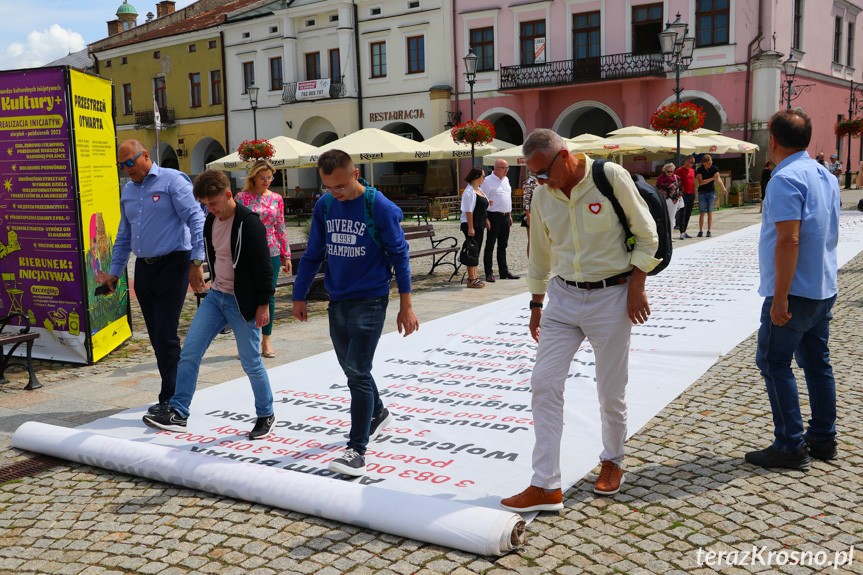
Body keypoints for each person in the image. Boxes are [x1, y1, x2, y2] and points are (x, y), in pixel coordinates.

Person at [499, 129, 659, 512]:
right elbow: (539, 253)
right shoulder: (542, 195)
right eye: (533, 175)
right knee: (544, 384)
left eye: (543, 172)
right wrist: (536, 304)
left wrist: (637, 287)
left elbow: (647, 235)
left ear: (565, 156)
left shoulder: (610, 177)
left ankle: (613, 459)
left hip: (612, 297)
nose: (540, 180)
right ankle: (545, 485)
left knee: (610, 391)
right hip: (563, 298)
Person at [291, 149, 419, 476]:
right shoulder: (326, 205)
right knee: (351, 369)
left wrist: (406, 305)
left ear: (355, 174)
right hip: (338, 300)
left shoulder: (380, 207)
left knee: (358, 372)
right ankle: (377, 412)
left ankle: (357, 449)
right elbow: (313, 253)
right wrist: (299, 294)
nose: (335, 192)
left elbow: (400, 256)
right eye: (328, 187)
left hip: (372, 299)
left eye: (340, 186)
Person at [142, 170, 277, 439]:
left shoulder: (249, 224)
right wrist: (199, 267)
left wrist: (263, 305)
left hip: (243, 301)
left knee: (251, 361)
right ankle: (179, 412)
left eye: (213, 203)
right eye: (205, 204)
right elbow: (211, 254)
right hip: (217, 296)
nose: (210, 209)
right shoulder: (209, 222)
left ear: (228, 195)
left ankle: (266, 414)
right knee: (190, 352)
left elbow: (263, 268)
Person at [745, 109, 840, 470]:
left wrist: (780, 297)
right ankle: (822, 438)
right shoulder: (824, 174)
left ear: (772, 139)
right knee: (817, 363)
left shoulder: (785, 179)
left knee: (773, 361)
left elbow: (789, 240)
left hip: (796, 289)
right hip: (822, 285)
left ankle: (790, 444)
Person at [101, 140, 205, 416]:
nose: (126, 170)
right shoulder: (129, 191)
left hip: (175, 263)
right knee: (156, 335)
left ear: (145, 156)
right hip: (145, 268)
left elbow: (196, 219)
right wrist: (114, 271)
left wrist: (197, 260)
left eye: (129, 163)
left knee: (167, 334)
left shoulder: (173, 181)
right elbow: (124, 235)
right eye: (120, 165)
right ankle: (172, 392)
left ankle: (171, 398)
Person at [236, 160, 291, 358]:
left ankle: (266, 340)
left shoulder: (276, 198)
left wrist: (286, 255)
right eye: (263, 177)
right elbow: (236, 227)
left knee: (269, 295)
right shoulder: (241, 197)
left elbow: (280, 226)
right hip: (248, 251)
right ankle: (247, 341)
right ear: (253, 177)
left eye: (270, 177)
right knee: (245, 295)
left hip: (272, 251)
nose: (267, 181)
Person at [480, 159, 519, 282]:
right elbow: (483, 201)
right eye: (504, 168)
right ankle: (489, 272)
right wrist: (485, 218)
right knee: (490, 245)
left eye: (508, 168)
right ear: (496, 168)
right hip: (493, 215)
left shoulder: (506, 180)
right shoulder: (487, 181)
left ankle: (504, 271)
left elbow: (507, 197)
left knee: (503, 245)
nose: (506, 171)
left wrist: (510, 214)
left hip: (506, 216)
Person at [460, 167, 491, 288]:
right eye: (483, 176)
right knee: (472, 250)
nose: (484, 178)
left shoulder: (479, 189)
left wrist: (486, 219)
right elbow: (468, 211)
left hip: (480, 224)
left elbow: (482, 207)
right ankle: (471, 279)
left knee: (476, 251)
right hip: (471, 225)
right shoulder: (469, 192)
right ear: (476, 177)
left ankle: (474, 276)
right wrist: (471, 228)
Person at [695, 154, 727, 237]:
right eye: (708, 163)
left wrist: (723, 187)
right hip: (702, 192)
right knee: (702, 212)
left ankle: (709, 230)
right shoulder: (699, 170)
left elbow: (718, 179)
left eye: (710, 162)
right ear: (703, 163)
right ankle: (700, 230)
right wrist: (712, 178)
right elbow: (701, 182)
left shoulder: (714, 168)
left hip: (711, 191)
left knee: (710, 211)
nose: (710, 164)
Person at [674, 155, 696, 240]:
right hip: (683, 194)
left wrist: (694, 192)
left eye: (694, 163)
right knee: (683, 213)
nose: (693, 164)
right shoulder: (680, 170)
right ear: (686, 161)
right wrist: (678, 193)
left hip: (691, 194)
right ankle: (682, 232)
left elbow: (693, 182)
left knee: (688, 213)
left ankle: (685, 230)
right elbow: (676, 182)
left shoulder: (692, 171)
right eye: (691, 162)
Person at [656, 162, 681, 235]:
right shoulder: (660, 178)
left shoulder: (676, 178)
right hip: (663, 200)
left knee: (671, 218)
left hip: (673, 200)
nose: (670, 173)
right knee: (662, 218)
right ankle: (663, 234)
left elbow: (680, 187)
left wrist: (679, 196)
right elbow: (657, 188)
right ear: (664, 171)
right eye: (668, 171)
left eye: (672, 171)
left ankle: (669, 235)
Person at [521, 171, 537, 256]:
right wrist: (528, 216)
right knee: (531, 240)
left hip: (541, 213)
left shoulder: (542, 180)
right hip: (531, 214)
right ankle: (531, 262)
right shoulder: (529, 181)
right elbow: (525, 201)